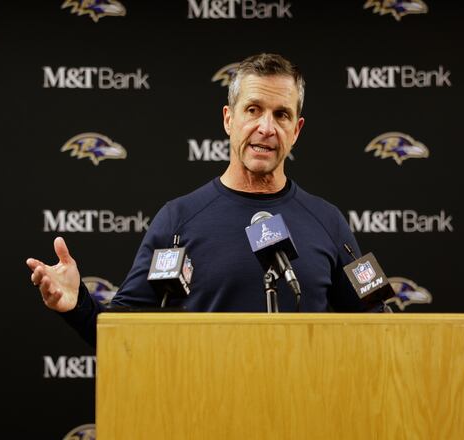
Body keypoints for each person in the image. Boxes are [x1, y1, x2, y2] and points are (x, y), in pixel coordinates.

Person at [26, 53, 372, 346]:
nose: (267, 127)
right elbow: (124, 336)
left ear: (296, 130)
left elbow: (380, 327)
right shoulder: (179, 219)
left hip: (306, 416)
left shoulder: (328, 221)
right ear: (228, 119)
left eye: (281, 114)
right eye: (253, 109)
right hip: (205, 415)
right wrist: (76, 305)